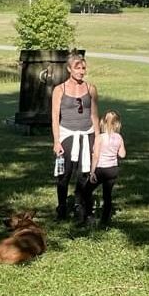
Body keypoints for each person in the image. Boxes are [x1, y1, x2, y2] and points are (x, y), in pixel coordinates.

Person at [51, 52, 99, 220]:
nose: (81, 72)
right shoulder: (60, 90)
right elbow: (55, 117)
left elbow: (94, 115)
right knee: (64, 173)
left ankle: (80, 205)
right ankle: (62, 207)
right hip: (67, 134)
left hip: (87, 133)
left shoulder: (90, 88)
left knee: (84, 173)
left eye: (83, 68)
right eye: (77, 68)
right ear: (69, 69)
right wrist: (56, 141)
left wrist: (97, 140)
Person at [81, 110, 126, 227]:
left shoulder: (100, 138)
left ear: (103, 122)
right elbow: (122, 154)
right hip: (112, 170)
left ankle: (88, 215)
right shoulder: (119, 137)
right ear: (117, 124)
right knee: (107, 194)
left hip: (101, 169)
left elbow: (96, 155)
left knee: (87, 191)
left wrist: (92, 172)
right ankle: (105, 219)